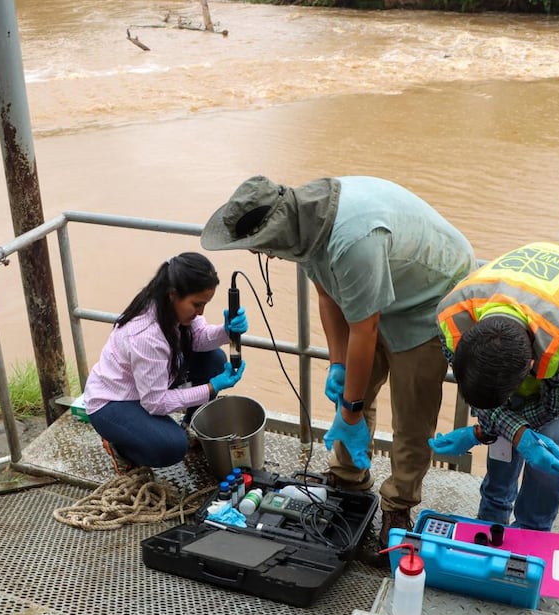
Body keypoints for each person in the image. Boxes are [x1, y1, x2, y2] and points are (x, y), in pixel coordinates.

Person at [200, 175, 476, 563]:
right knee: (351, 387)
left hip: (429, 294)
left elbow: (366, 328)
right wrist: (338, 365)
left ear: (276, 232)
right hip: (378, 290)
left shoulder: (351, 240)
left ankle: (398, 503)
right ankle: (348, 478)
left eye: (261, 247)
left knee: (412, 413)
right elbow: (328, 297)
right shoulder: (306, 227)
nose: (265, 255)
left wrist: (351, 408)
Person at [430, 241, 559, 531]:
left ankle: (533, 530)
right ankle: (492, 518)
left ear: (530, 369)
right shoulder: (453, 318)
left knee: (549, 448)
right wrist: (491, 429)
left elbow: (554, 407)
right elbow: (485, 396)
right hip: (525, 291)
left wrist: (503, 430)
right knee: (505, 437)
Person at [82, 252, 248, 473]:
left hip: (147, 388)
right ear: (173, 295)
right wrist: (210, 388)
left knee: (214, 359)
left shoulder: (172, 307)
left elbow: (197, 338)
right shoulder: (146, 336)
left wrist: (225, 331)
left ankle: (190, 426)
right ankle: (120, 447)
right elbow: (155, 402)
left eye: (205, 304)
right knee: (171, 446)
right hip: (114, 402)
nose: (201, 312)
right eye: (197, 304)